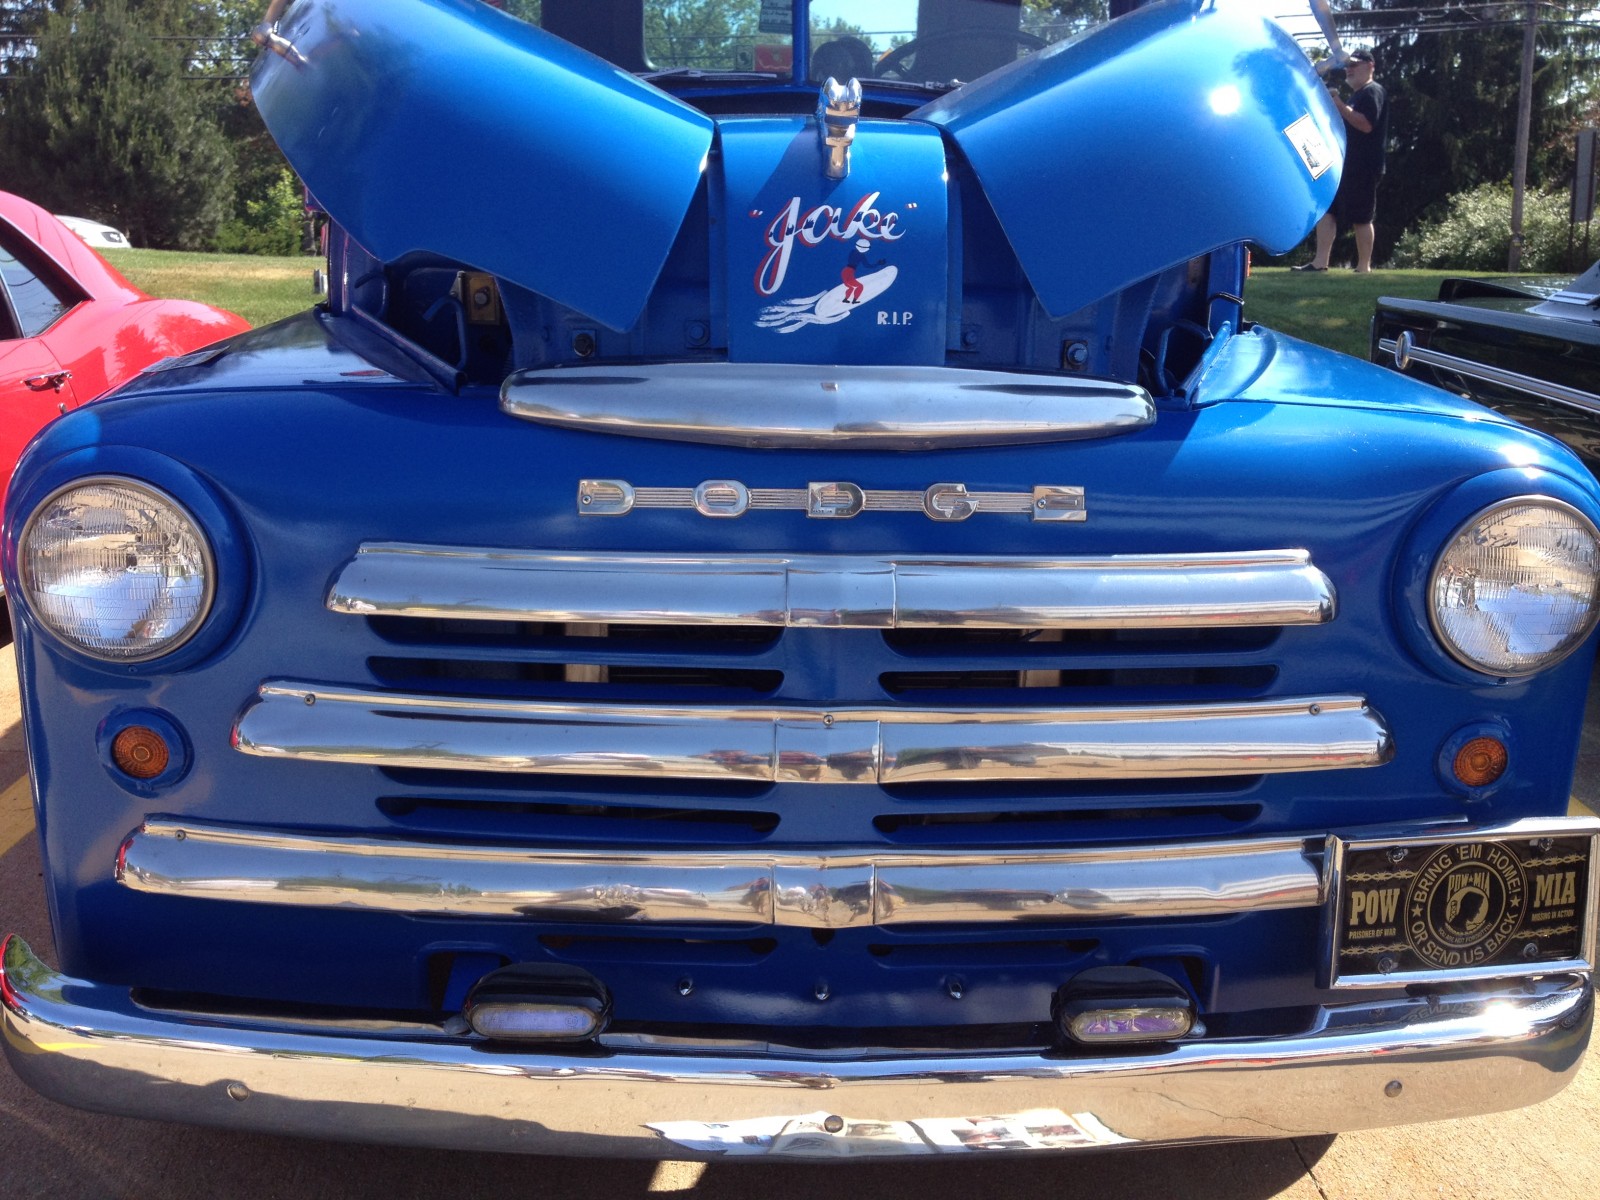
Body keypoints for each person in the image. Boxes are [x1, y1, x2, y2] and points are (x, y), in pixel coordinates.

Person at [1296, 48, 1388, 273]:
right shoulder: (1357, 96)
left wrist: (1338, 104)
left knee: (1362, 217)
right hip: (1343, 165)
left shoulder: (1372, 91)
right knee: (1328, 210)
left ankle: (1363, 267)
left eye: (1355, 64)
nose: (1349, 69)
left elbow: (1366, 124)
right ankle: (1320, 262)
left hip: (1363, 166)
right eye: (1348, 65)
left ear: (1370, 66)